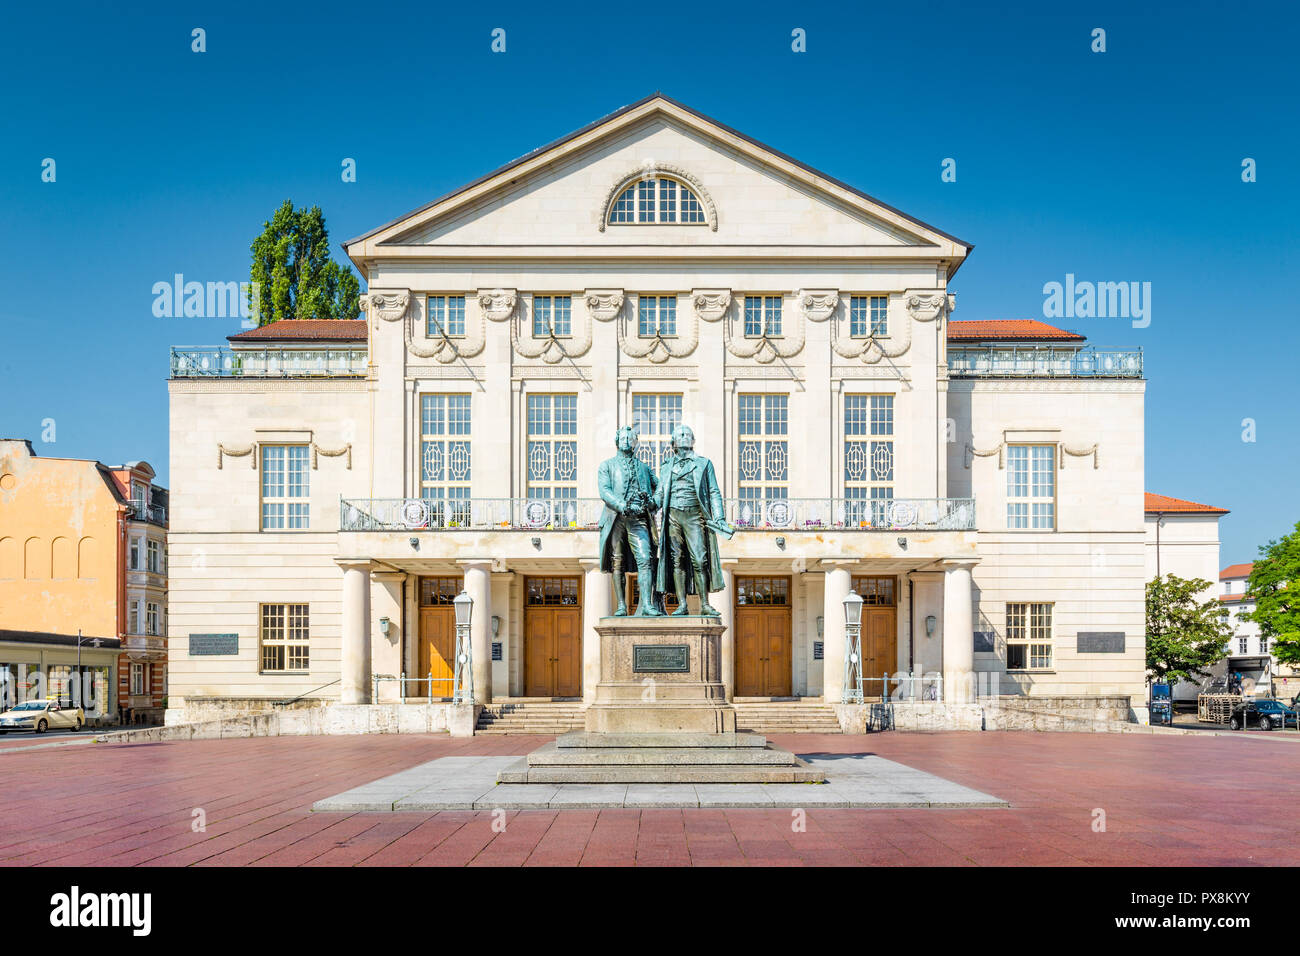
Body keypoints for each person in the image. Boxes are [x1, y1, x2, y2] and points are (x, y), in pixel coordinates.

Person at [652, 425, 733, 615]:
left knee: (700, 559)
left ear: (693, 440)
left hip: (694, 515)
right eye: (681, 435)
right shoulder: (666, 466)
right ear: (673, 442)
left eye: (688, 435)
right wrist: (649, 504)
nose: (685, 437)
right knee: (676, 559)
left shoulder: (704, 464)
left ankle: (704, 604)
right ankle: (682, 604)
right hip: (672, 515)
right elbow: (660, 494)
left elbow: (713, 491)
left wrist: (719, 517)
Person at [596, 426, 661, 616]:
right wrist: (622, 505)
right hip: (615, 517)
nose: (626, 441)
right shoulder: (606, 465)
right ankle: (622, 606)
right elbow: (605, 491)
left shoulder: (644, 468)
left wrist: (653, 502)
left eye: (630, 438)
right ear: (617, 441)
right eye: (623, 438)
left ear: (635, 443)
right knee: (617, 562)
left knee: (645, 559)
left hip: (638, 518)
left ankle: (647, 605)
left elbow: (660, 488)